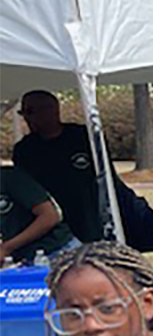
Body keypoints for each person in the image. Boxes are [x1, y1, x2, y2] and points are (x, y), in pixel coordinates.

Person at [14, 90, 104, 244]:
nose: (27, 118)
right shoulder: (25, 149)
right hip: (52, 225)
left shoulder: (83, 137)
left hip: (89, 217)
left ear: (52, 110)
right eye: (23, 113)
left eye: (30, 112)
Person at [0, 164, 77, 264]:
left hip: (57, 249)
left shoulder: (8, 177)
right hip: (25, 258)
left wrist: (7, 248)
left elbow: (51, 216)